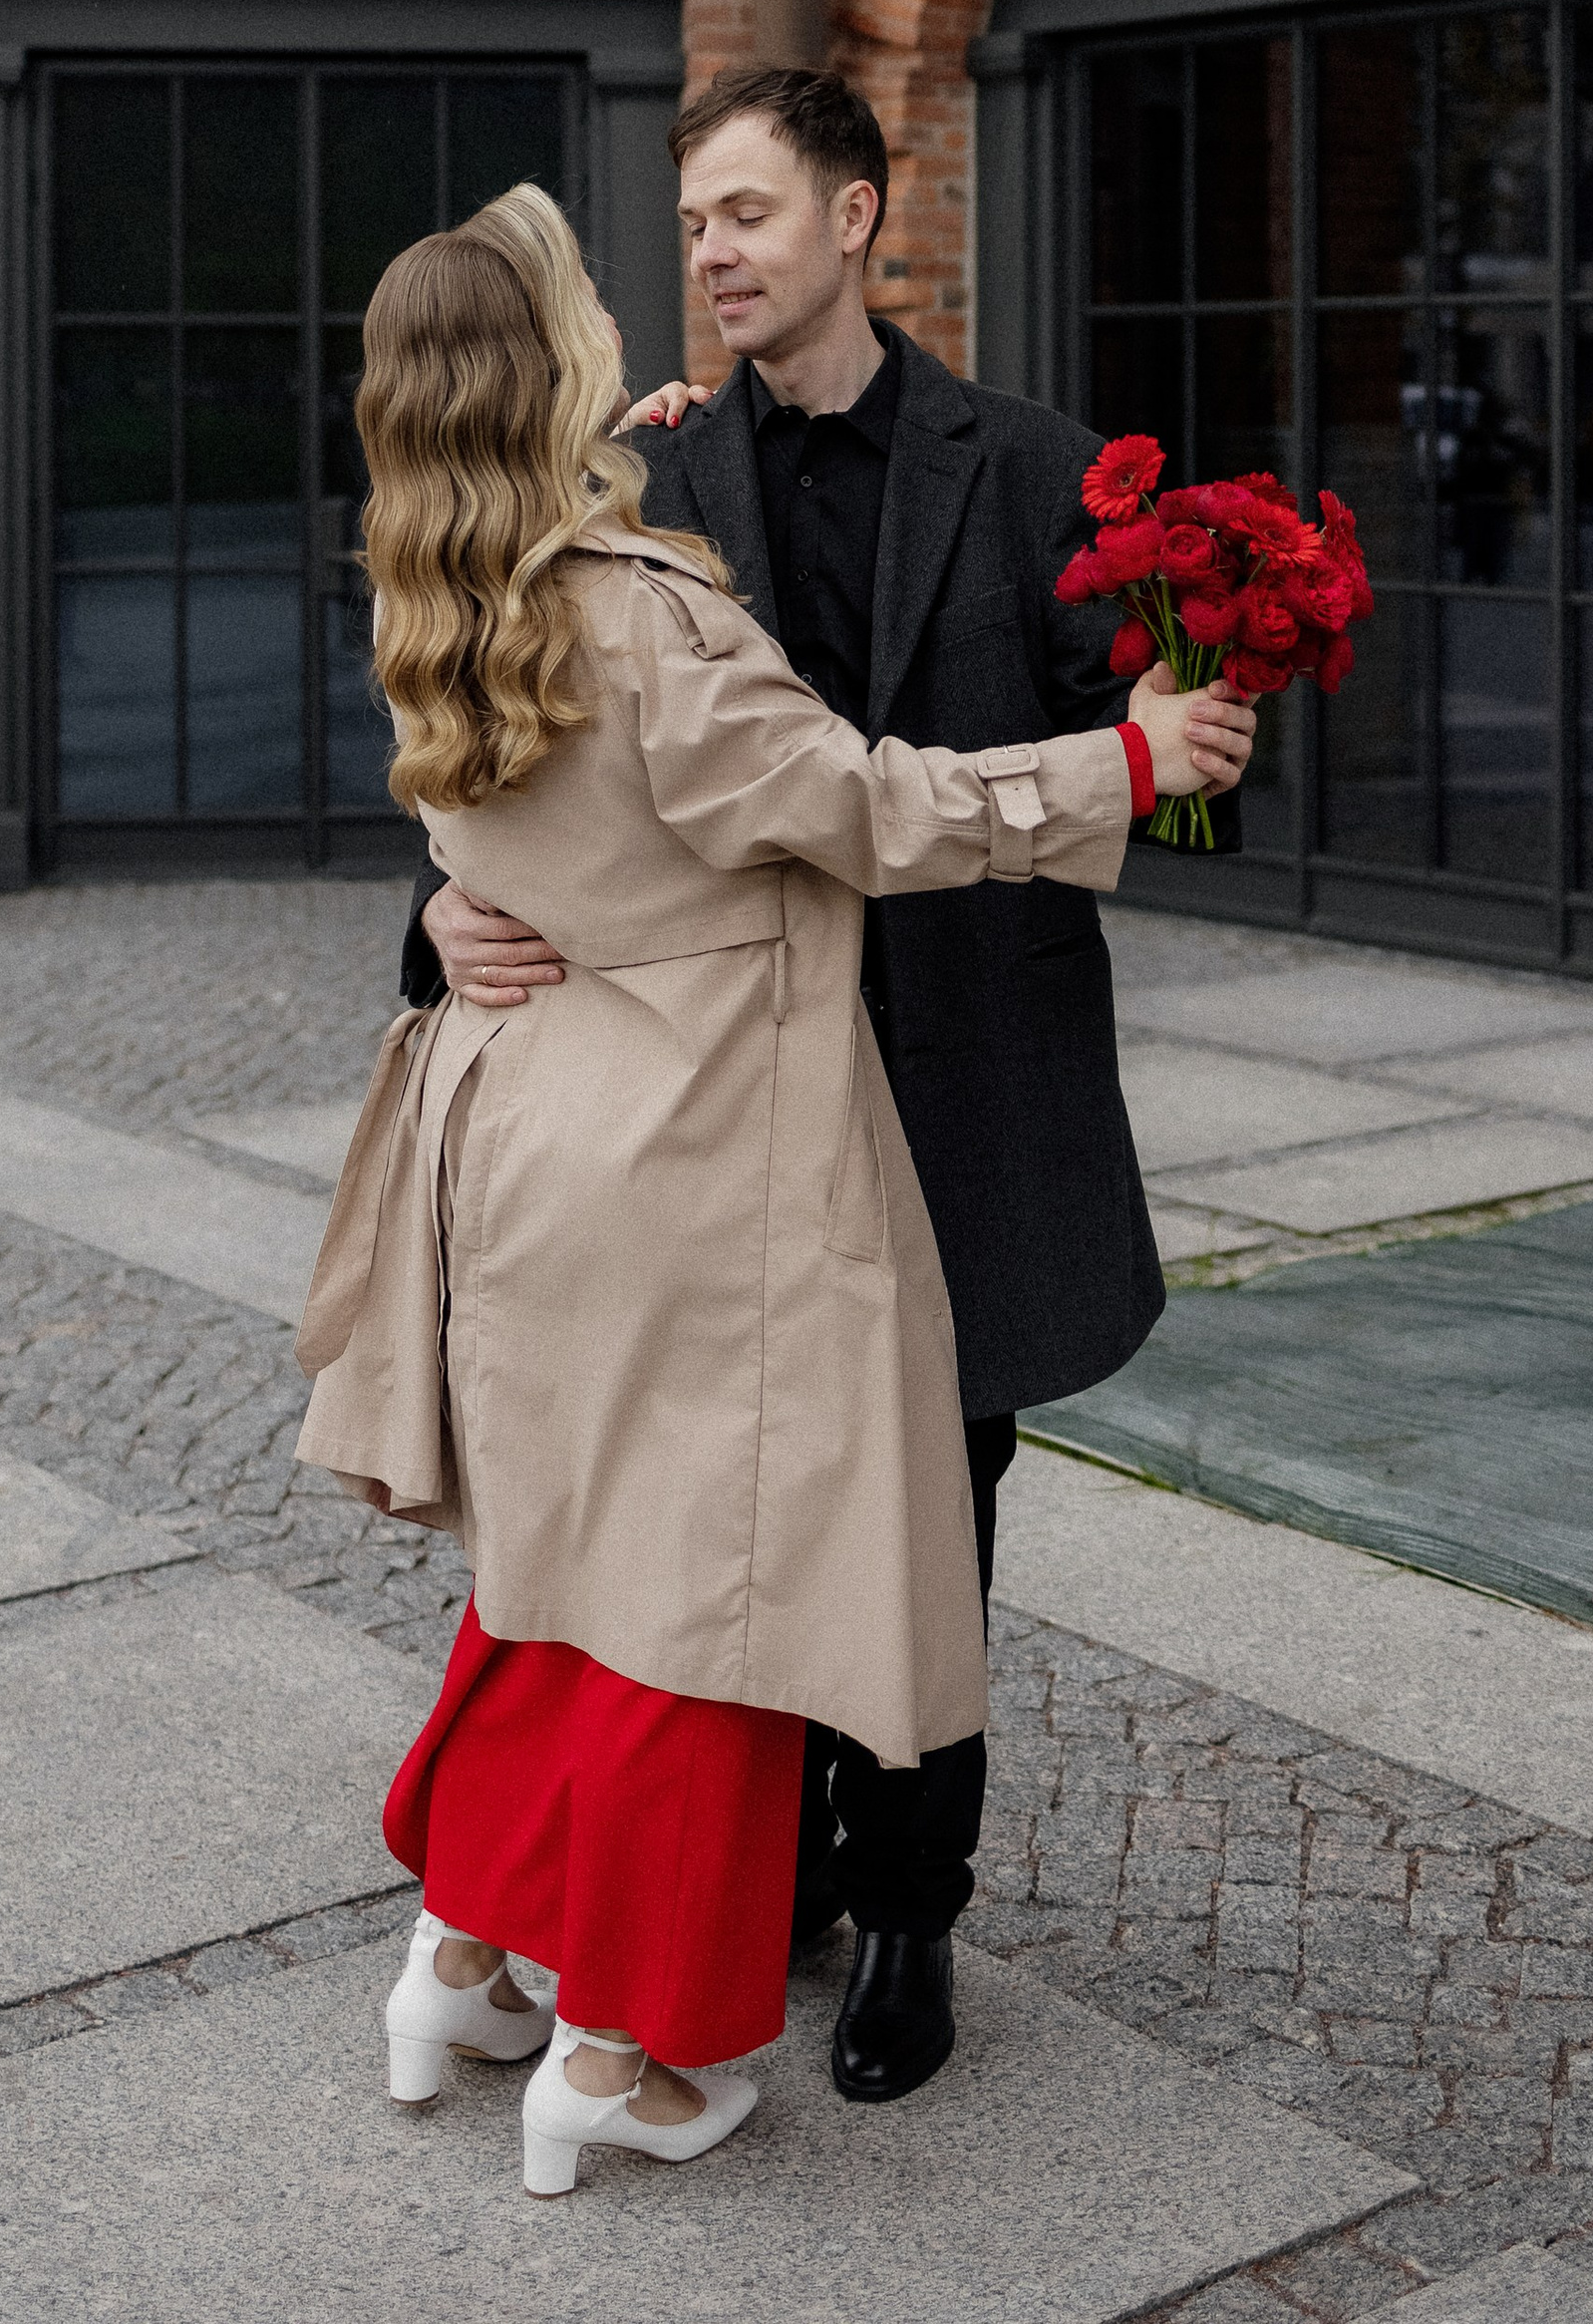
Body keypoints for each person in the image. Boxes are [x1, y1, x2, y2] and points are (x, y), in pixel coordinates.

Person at [296, 181, 1252, 2194]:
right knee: (697, 1620)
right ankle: (628, 2058)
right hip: (690, 1150)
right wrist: (1126, 761)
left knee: (551, 1587)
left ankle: (462, 1957)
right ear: (552, 370)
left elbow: (544, 816)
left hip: (534, 1127)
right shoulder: (636, 615)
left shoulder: (433, 582)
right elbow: (862, 805)